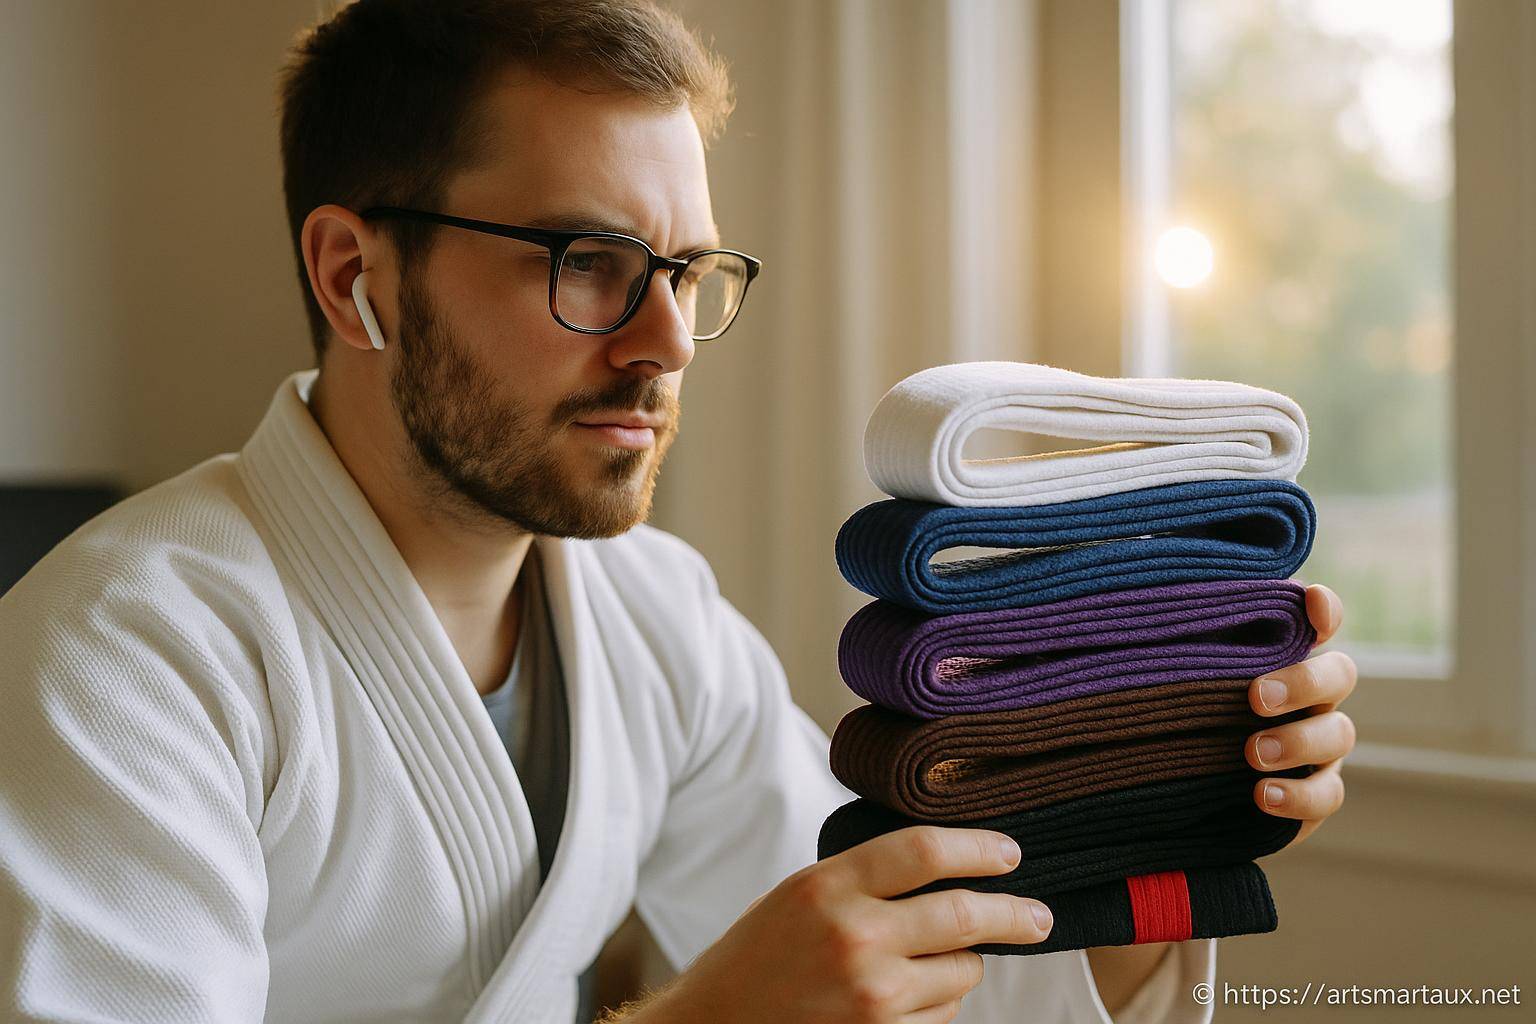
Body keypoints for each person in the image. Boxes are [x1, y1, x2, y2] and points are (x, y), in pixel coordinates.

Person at [0, 2, 1358, 1021]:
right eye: (588, 262)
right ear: (357, 275)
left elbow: (917, 978)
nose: (667, 342)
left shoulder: (659, 619)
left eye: (690, 271)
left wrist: (1172, 790)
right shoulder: (117, 656)